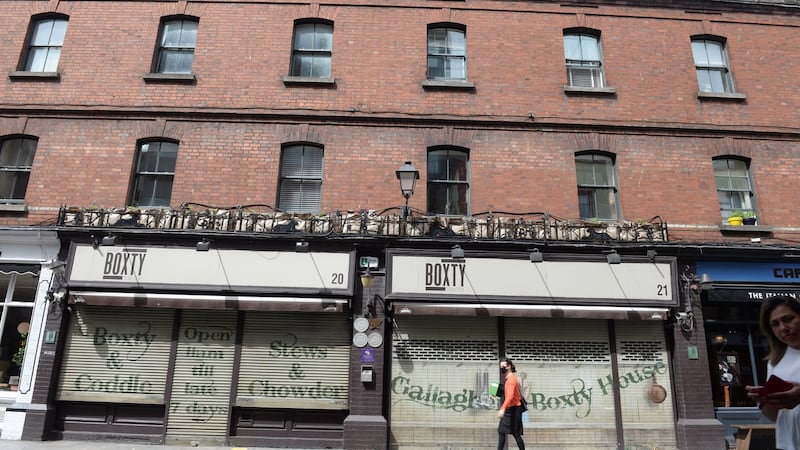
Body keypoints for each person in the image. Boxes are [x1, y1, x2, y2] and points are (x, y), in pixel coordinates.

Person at [746, 295, 800, 450]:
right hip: (788, 444)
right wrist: (764, 401)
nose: (783, 328)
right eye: (775, 324)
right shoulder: (775, 361)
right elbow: (777, 416)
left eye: (788, 319)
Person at [497, 358, 525, 450]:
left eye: (503, 366)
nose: (502, 368)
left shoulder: (511, 380)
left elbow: (510, 396)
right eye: (501, 366)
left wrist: (502, 409)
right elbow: (507, 393)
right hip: (511, 408)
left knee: (515, 433)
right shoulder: (508, 378)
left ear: (509, 366)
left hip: (514, 409)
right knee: (502, 431)